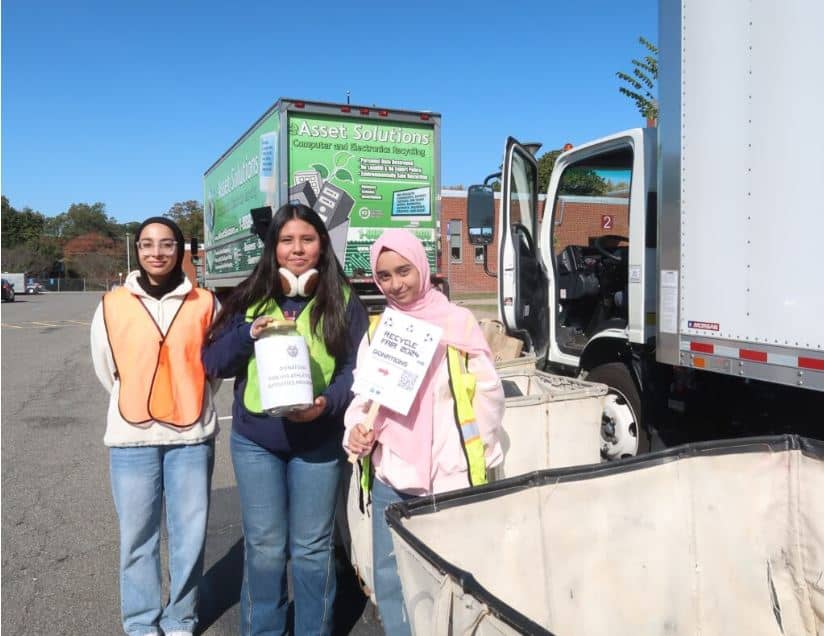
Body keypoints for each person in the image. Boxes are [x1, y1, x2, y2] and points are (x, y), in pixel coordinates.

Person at [202, 203, 367, 635]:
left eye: (307, 240)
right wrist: (248, 332)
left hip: (318, 441)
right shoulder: (248, 296)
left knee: (312, 549)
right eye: (287, 240)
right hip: (257, 442)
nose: (297, 250)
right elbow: (213, 361)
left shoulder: (344, 299)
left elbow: (356, 370)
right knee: (265, 546)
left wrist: (325, 405)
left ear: (322, 245)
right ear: (273, 247)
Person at [344, 229, 506, 635]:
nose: (396, 284)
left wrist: (474, 452)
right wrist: (356, 432)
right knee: (390, 575)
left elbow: (488, 395)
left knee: (451, 580)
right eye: (384, 276)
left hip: (448, 477)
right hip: (391, 476)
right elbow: (362, 402)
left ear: (422, 266)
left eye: (404, 271)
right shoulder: (379, 330)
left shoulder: (457, 323)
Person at [90, 217, 219, 636]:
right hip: (132, 440)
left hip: (190, 438)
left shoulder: (205, 302)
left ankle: (180, 619)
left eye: (166, 244)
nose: (156, 253)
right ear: (138, 251)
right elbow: (106, 368)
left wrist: (189, 397)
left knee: (189, 538)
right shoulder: (112, 304)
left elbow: (212, 368)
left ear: (179, 250)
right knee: (137, 539)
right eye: (147, 245)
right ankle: (142, 623)